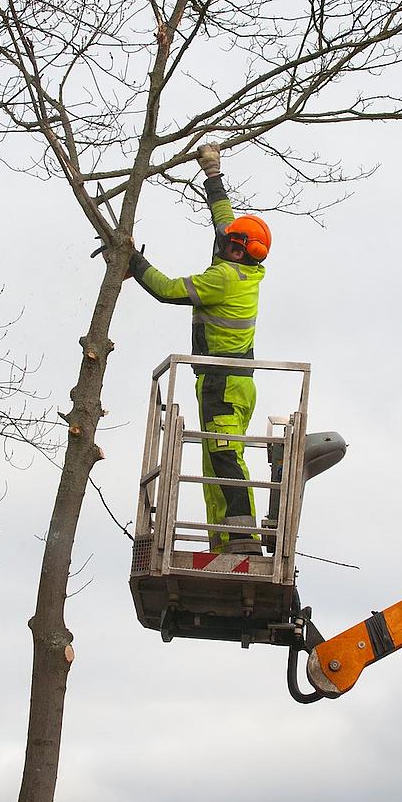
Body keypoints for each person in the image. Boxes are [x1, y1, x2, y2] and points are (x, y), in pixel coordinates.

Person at [128, 143, 272, 556]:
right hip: (226, 382)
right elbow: (224, 221)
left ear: (239, 249)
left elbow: (169, 291)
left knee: (224, 457)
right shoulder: (242, 264)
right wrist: (213, 173)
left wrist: (135, 264)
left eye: (231, 241)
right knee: (214, 461)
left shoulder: (224, 278)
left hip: (223, 382)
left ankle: (242, 541)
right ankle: (226, 540)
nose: (224, 239)